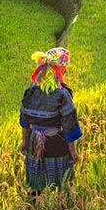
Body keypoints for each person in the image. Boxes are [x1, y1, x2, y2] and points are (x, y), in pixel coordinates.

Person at [19, 47, 83, 198]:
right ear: (62, 69)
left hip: (35, 141)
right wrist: (73, 151)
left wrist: (24, 141)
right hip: (56, 142)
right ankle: (62, 208)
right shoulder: (62, 93)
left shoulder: (31, 90)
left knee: (36, 182)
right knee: (64, 182)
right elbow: (69, 125)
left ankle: (33, 206)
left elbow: (24, 120)